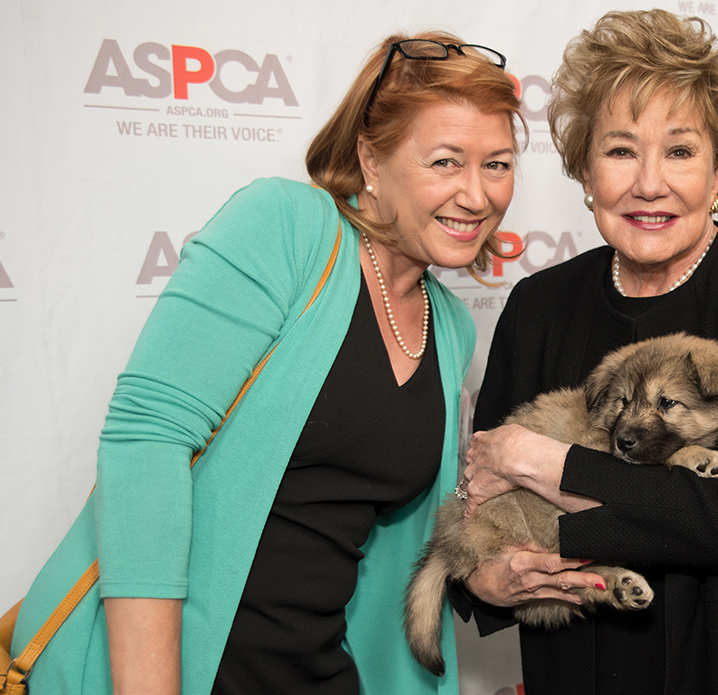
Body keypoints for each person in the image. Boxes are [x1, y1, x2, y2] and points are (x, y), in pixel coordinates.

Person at [10, 31, 523, 695]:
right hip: (177, 670)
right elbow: (147, 443)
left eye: (499, 164)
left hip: (320, 671)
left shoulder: (449, 324)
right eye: (447, 162)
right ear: (372, 158)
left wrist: (490, 571)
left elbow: (400, 545)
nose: (478, 195)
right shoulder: (288, 228)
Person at [456, 10, 718, 694]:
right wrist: (483, 578)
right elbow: (484, 498)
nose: (649, 183)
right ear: (584, 171)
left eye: (681, 150)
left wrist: (546, 464)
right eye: (621, 150)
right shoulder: (539, 305)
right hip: (578, 665)